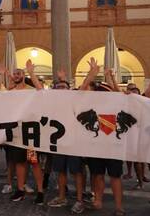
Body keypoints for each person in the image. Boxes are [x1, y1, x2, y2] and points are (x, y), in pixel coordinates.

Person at [81, 61, 125, 216]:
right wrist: (92, 72)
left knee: (115, 177)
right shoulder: (90, 106)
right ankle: (98, 200)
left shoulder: (117, 105)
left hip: (113, 146)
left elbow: (120, 95)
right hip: (96, 146)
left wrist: (112, 78)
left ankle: (119, 207)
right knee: (98, 175)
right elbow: (81, 91)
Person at [5, 60, 45, 204]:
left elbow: (41, 91)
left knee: (34, 162)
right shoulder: (11, 92)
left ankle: (40, 191)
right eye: (14, 74)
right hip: (17, 133)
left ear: (23, 75)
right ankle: (20, 189)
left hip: (30, 133)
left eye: (18, 73)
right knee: (19, 163)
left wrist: (31, 72)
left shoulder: (30, 89)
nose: (16, 75)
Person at [46, 69, 85, 214]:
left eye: (64, 87)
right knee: (60, 171)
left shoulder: (75, 100)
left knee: (76, 172)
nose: (61, 89)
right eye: (58, 87)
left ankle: (80, 200)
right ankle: (62, 196)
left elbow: (84, 86)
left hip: (73, 142)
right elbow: (38, 91)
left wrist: (93, 72)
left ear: (69, 90)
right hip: (58, 141)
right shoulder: (52, 103)